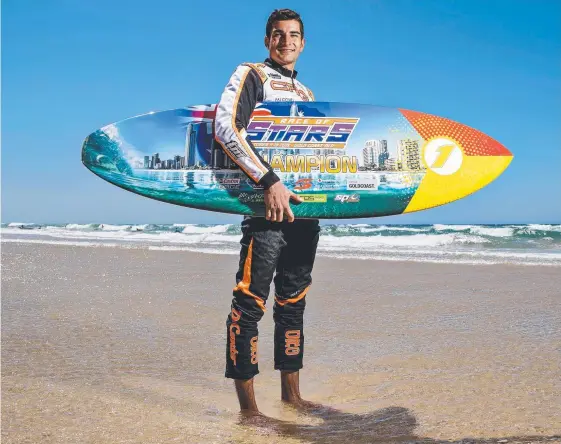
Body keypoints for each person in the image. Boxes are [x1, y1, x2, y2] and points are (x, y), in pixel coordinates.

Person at [214, 9, 320, 417]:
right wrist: (268, 181)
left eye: (294, 35)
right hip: (265, 208)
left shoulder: (309, 95)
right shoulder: (252, 74)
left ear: (303, 42)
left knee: (294, 302)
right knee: (249, 304)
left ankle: (291, 397)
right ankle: (249, 411)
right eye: (278, 35)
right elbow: (226, 127)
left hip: (303, 211)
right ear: (267, 40)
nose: (286, 41)